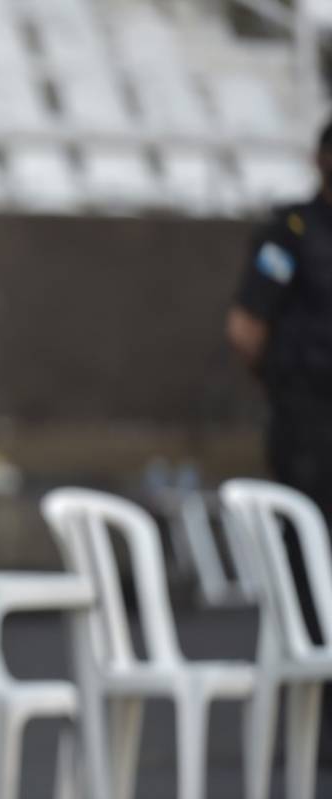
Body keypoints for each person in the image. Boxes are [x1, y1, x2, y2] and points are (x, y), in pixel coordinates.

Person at [227, 118, 332, 745]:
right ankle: (310, 714)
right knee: (308, 560)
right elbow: (246, 328)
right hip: (308, 424)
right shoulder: (291, 233)